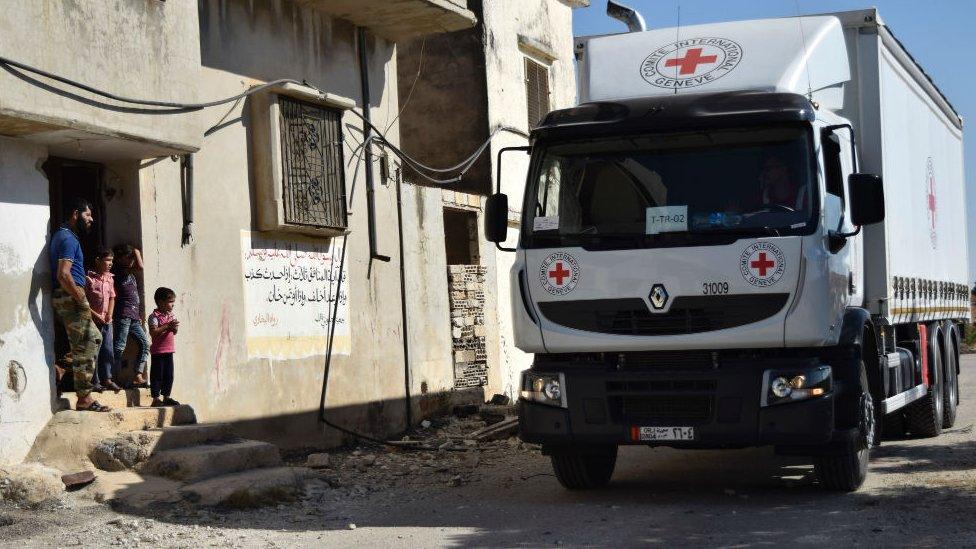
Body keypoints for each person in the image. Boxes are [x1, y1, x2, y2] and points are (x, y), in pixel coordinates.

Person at [50, 197, 110, 412]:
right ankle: (84, 398)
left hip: (67, 296)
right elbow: (63, 274)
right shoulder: (68, 239)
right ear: (75, 214)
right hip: (70, 297)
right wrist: (80, 297)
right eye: (87, 215)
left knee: (93, 338)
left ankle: (61, 368)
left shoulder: (64, 236)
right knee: (88, 341)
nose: (91, 219)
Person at [112, 244, 150, 387]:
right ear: (120, 258)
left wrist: (139, 314)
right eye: (129, 258)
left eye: (133, 258)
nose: (132, 261)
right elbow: (141, 267)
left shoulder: (130, 274)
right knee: (119, 346)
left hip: (133, 316)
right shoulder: (119, 272)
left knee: (145, 344)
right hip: (123, 314)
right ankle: (110, 376)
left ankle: (137, 375)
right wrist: (137, 251)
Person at [85, 246, 121, 393]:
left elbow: (112, 297)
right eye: (107, 260)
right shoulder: (89, 279)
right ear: (98, 260)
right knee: (95, 351)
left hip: (107, 321)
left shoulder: (110, 279)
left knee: (108, 350)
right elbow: (84, 301)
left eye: (112, 260)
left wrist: (109, 314)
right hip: (93, 321)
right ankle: (95, 381)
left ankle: (108, 378)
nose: (110, 263)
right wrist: (95, 315)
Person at [147, 287, 180, 407]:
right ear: (161, 302)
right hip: (158, 351)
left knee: (168, 375)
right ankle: (156, 399)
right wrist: (167, 326)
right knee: (157, 375)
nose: (173, 305)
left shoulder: (171, 315)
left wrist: (174, 327)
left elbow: (174, 332)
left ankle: (166, 397)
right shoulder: (154, 316)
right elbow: (153, 332)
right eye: (170, 302)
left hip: (169, 350)